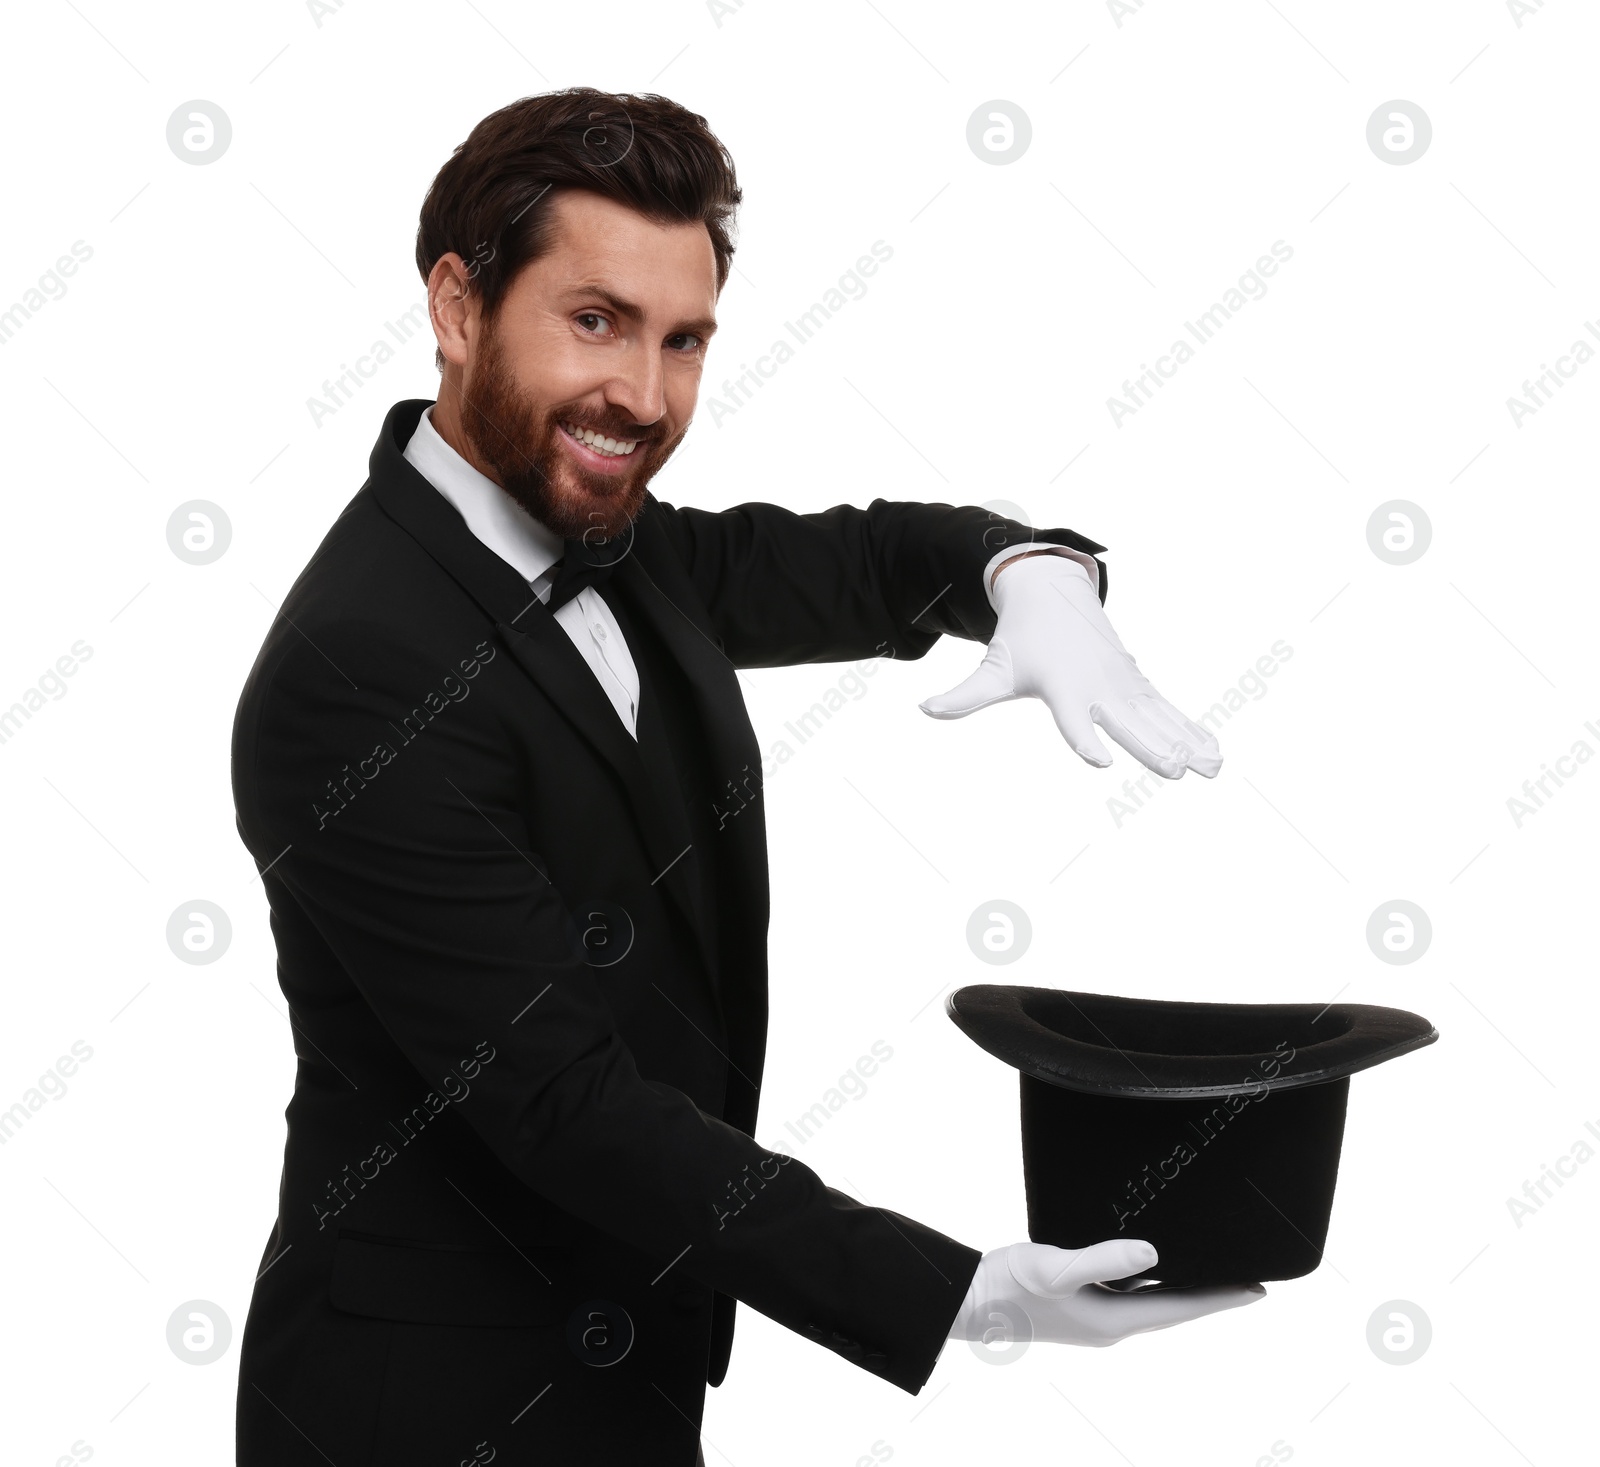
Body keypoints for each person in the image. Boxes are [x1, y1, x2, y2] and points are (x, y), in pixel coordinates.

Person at [230, 86, 1253, 1466]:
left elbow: (869, 560)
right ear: (460, 306)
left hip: (628, 1359)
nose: (644, 399)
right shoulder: (356, 670)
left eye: (684, 341)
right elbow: (560, 1101)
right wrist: (949, 1293)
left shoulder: (618, 544)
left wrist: (1033, 576)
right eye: (594, 321)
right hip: (427, 1407)